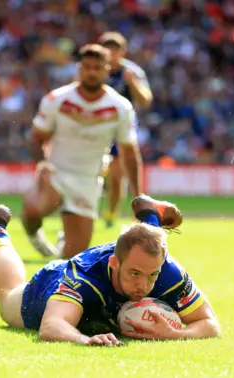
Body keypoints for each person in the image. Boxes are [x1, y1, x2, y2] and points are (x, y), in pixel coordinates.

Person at [0, 195, 221, 345]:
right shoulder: (84, 278)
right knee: (8, 300)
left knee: (144, 248)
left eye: (152, 275)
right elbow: (51, 326)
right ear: (115, 265)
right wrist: (84, 341)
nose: (145, 286)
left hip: (131, 256)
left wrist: (176, 335)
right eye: (135, 274)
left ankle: (150, 218)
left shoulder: (169, 273)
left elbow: (210, 325)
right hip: (53, 282)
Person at [24, 43, 143, 259]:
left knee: (72, 259)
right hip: (56, 173)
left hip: (88, 181)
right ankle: (36, 238)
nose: (91, 72)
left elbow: (129, 152)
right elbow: (36, 137)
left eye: (97, 68)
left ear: (107, 70)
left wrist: (138, 195)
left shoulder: (120, 106)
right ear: (79, 68)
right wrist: (43, 166)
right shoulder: (57, 99)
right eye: (86, 67)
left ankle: (64, 240)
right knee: (32, 210)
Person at [99, 31, 152, 228]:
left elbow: (145, 100)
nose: (111, 56)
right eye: (107, 51)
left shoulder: (132, 72)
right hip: (97, 126)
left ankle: (114, 213)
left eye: (115, 51)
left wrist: (132, 83)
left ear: (122, 52)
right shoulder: (96, 70)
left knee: (117, 175)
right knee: (109, 175)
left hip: (122, 127)